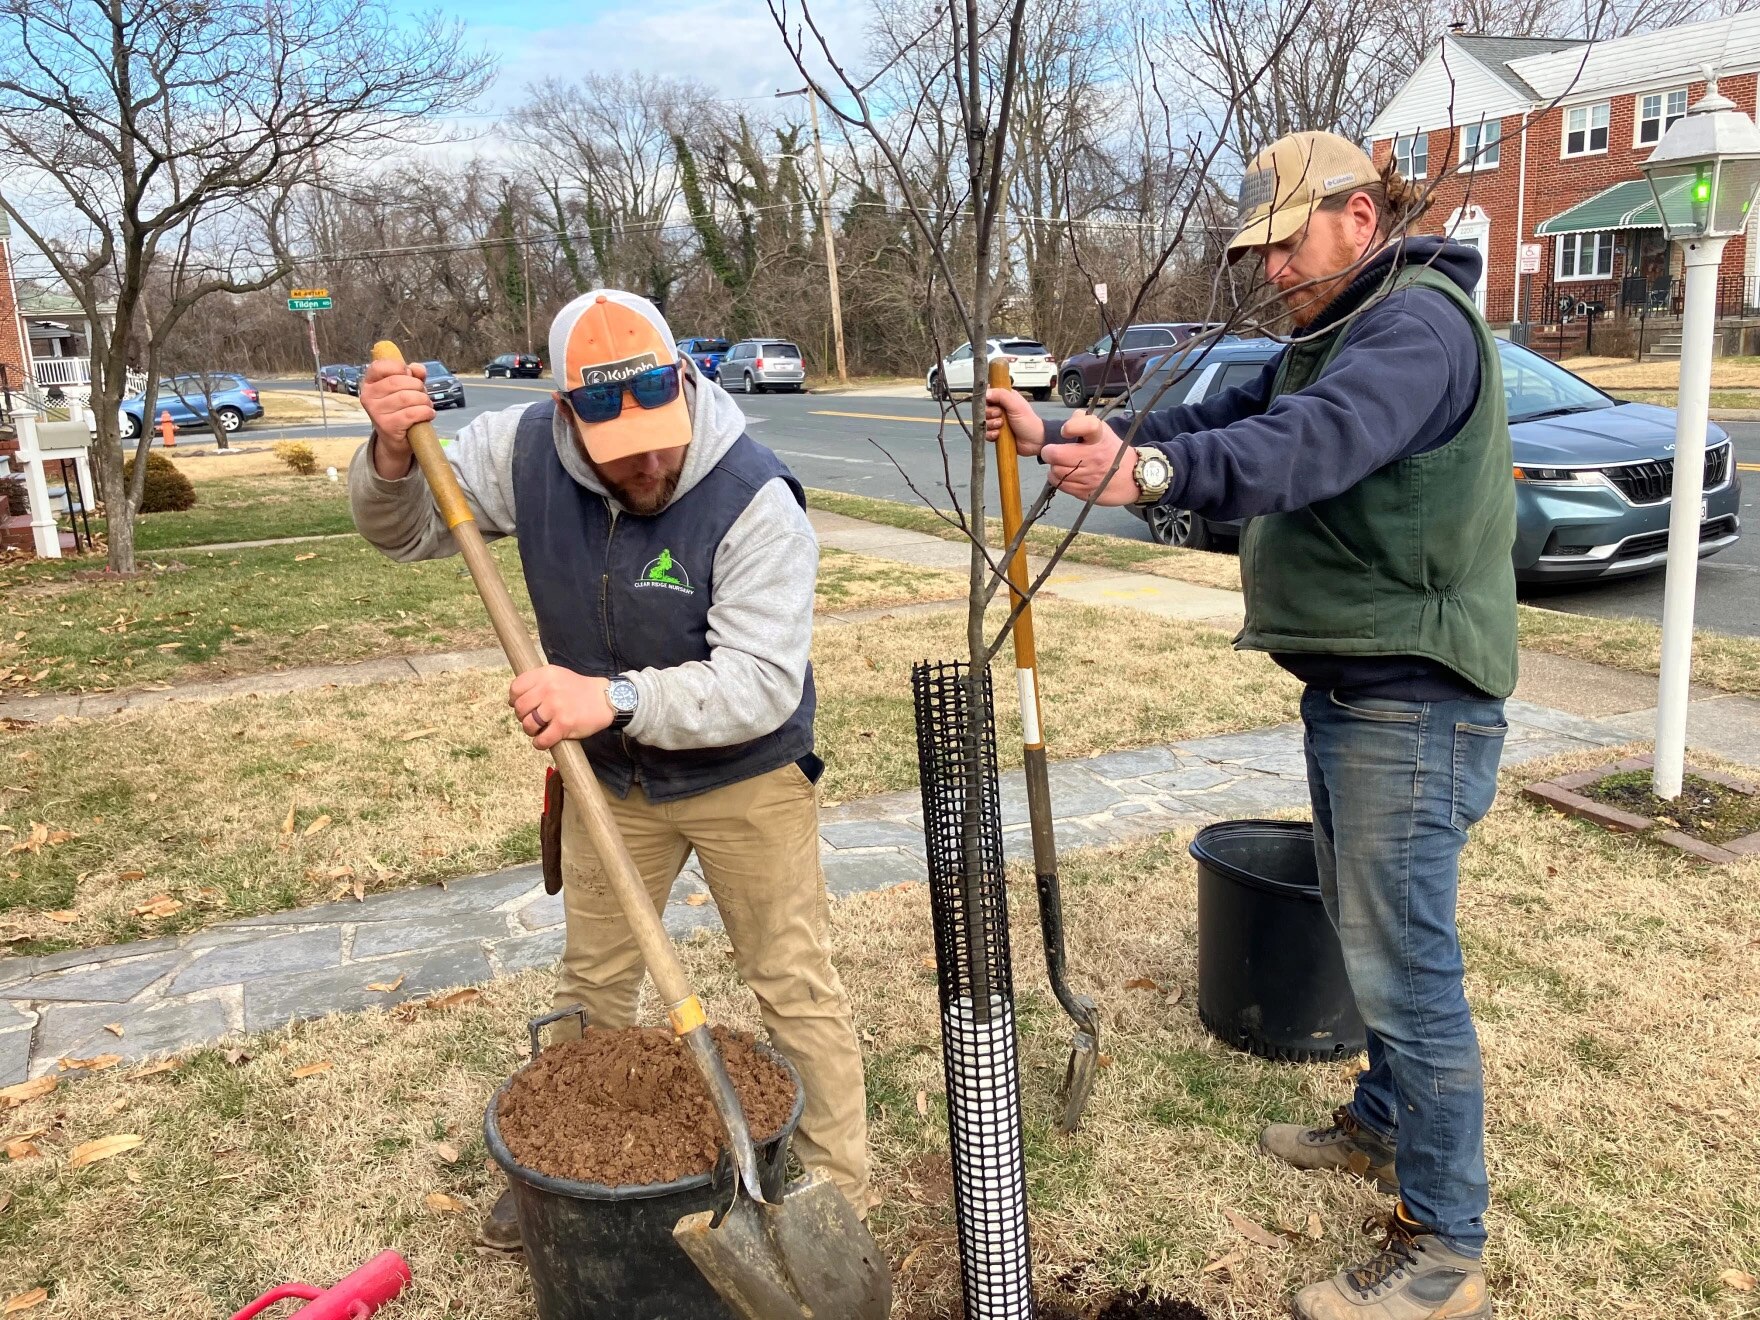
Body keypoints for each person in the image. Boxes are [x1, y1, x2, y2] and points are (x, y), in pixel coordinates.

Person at [987, 131, 1514, 1320]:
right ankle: (1383, 1124)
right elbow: (1223, 411)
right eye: (1256, 251)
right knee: (1371, 933)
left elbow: (1303, 448)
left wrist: (1153, 482)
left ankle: (1443, 1250)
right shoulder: (1332, 333)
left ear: (1360, 217)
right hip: (1360, 695)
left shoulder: (1413, 330)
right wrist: (1068, 428)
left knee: (1406, 967)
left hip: (1414, 703)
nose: (1269, 270)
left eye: (1284, 243)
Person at [350, 289, 870, 1248]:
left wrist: (615, 697)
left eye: (661, 436)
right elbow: (403, 529)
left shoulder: (755, 493)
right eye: (619, 449)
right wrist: (389, 455)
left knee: (790, 980)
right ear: (565, 419)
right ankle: (574, 1177)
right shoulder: (519, 454)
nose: (649, 461)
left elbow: (758, 682)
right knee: (593, 981)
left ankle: (833, 1190)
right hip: (608, 784)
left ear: (684, 381)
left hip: (745, 775)